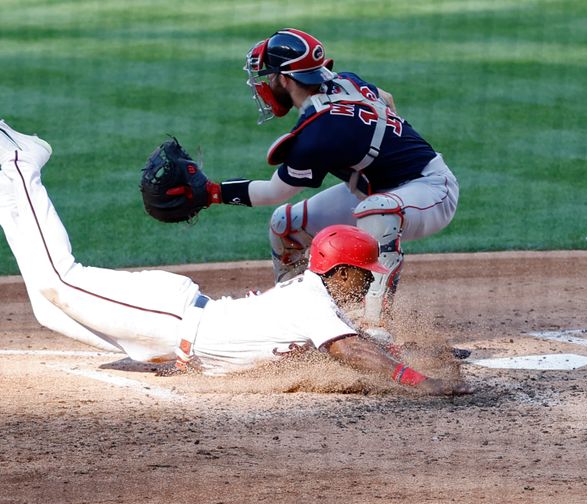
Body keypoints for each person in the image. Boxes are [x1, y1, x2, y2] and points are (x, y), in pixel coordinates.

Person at [0, 117, 472, 395]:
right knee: (62, 279)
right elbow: (353, 352)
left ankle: (7, 203)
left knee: (46, 307)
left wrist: (429, 352)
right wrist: (416, 382)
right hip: (170, 317)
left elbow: (362, 343)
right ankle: (23, 160)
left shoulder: (322, 306)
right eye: (364, 273)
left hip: (167, 342)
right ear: (340, 271)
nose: (368, 283)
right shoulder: (315, 301)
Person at [188, 28, 459, 338]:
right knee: (285, 225)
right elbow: (386, 97)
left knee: (378, 209)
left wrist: (213, 193)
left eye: (269, 75)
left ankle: (377, 331)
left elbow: (275, 191)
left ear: (286, 79)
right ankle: (297, 322)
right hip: (375, 191)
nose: (264, 84)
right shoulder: (346, 81)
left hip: (431, 188)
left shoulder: (320, 132)